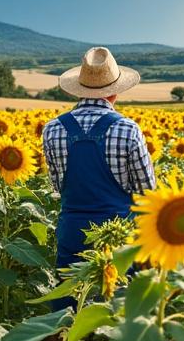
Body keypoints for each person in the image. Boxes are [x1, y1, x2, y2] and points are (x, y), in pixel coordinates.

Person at [41, 47, 156, 309]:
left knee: (70, 308)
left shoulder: (53, 128)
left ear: (79, 89)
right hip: (119, 233)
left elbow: (58, 185)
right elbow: (148, 191)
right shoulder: (128, 129)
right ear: (115, 91)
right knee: (117, 308)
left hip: (72, 230)